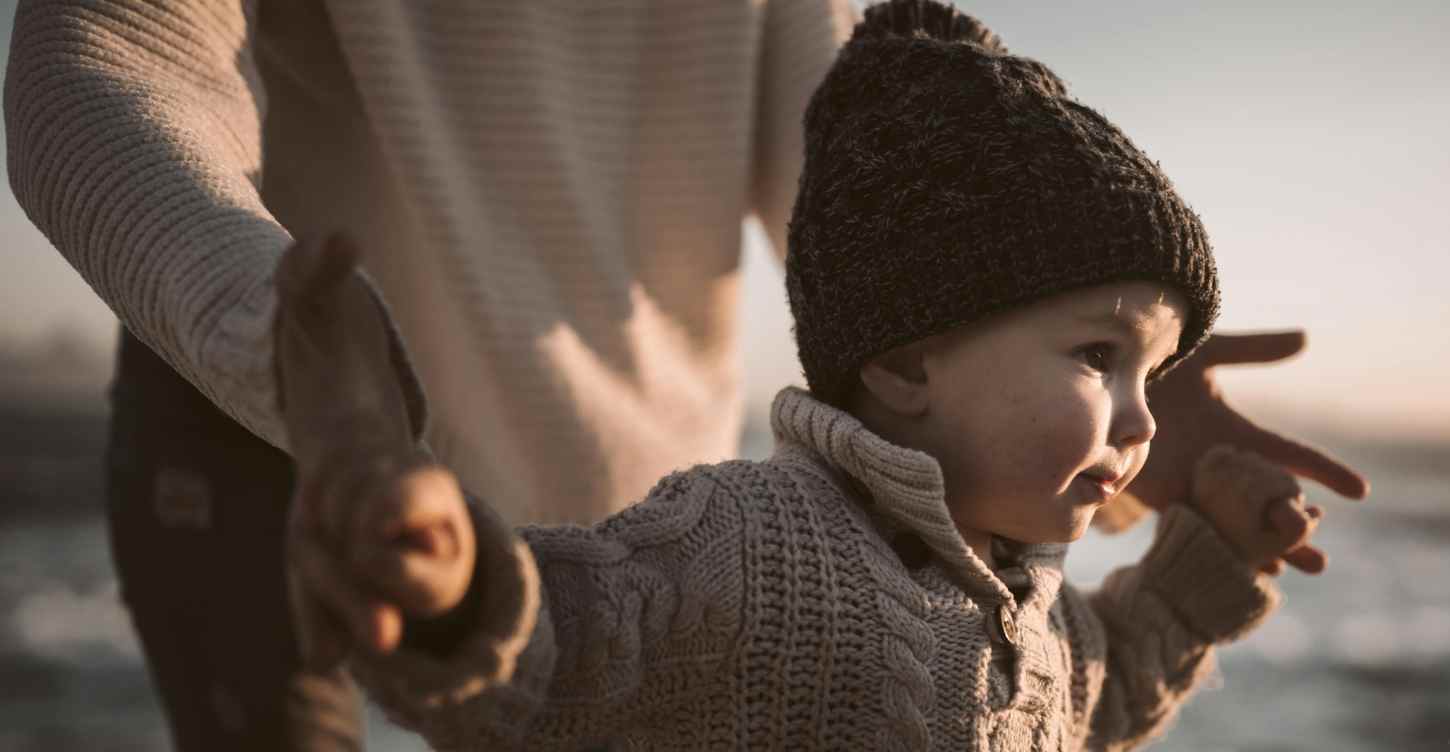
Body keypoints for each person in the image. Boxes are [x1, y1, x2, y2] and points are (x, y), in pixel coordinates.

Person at [275, 3, 1361, 749]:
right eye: (1097, 356)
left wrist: (1215, 551)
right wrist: (456, 579)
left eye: (1153, 371)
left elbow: (1108, 683)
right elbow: (561, 645)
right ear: (899, 358)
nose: (1138, 425)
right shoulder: (746, 541)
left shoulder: (1027, 604)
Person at [7, 0, 857, 747]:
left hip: (637, 518)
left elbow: (856, 184)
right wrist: (313, 374)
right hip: (291, 416)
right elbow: (102, 52)